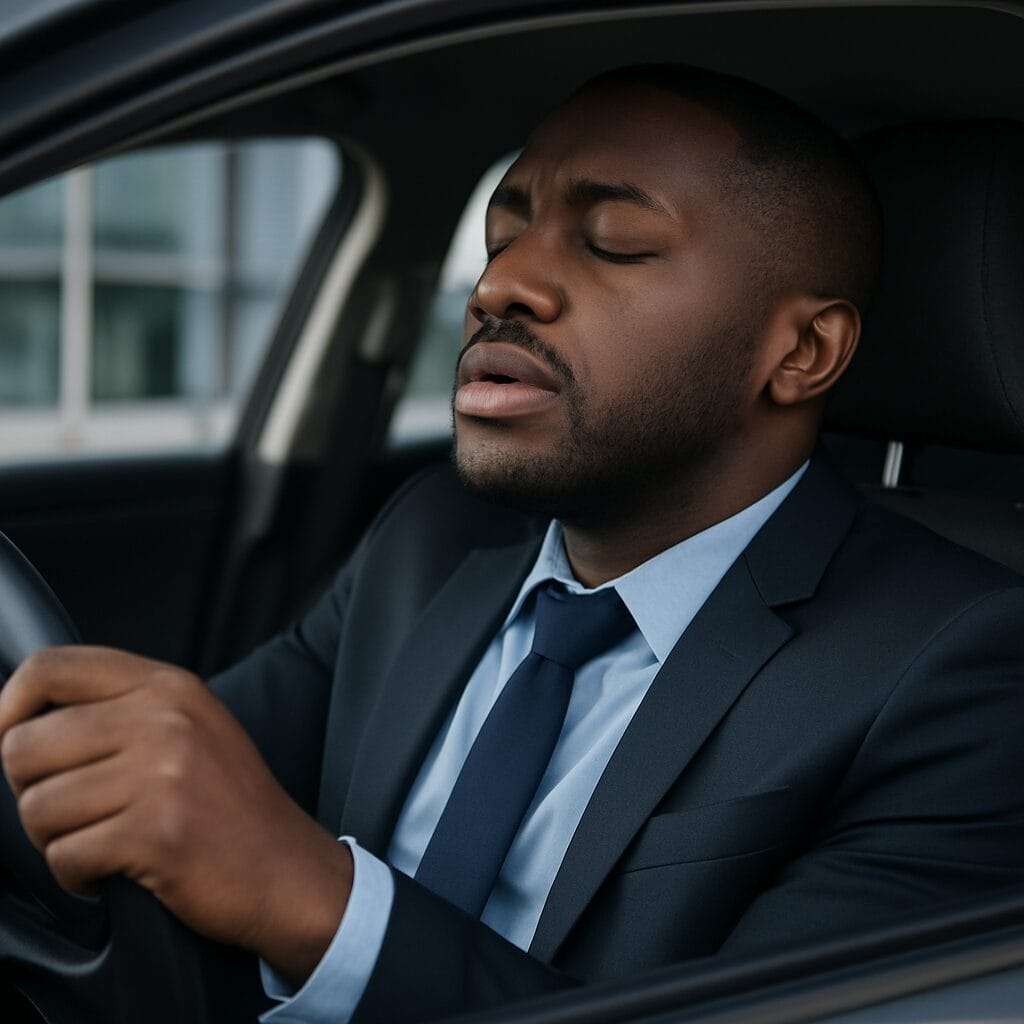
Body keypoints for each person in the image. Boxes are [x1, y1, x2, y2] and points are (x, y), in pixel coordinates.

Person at [1, 64, 1023, 1024]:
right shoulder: (432, 535)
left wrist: (317, 903)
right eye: (501, 234)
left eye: (613, 240)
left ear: (799, 351)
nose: (499, 286)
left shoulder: (961, 669)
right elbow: (170, 791)